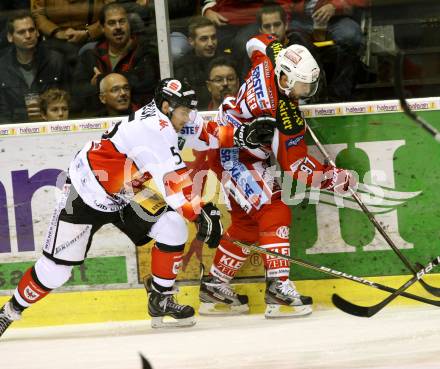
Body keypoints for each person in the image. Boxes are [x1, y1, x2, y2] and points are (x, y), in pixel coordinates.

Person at [0, 77, 273, 336]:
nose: (189, 117)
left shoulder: (174, 115)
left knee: (173, 227)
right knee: (55, 270)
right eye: (184, 112)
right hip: (86, 191)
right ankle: (9, 313)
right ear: (166, 107)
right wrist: (202, 212)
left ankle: (161, 299)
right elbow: (174, 182)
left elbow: (206, 132)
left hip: (127, 192)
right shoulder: (153, 129)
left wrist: (241, 135)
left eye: (191, 111)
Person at [181, 34, 356, 318]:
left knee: (248, 225)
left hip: (227, 139)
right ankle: (278, 288)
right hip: (237, 156)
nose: (306, 91)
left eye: (310, 84)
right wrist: (334, 179)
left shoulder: (271, 57)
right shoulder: (282, 115)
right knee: (274, 208)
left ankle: (214, 286)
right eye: (302, 85)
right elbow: (297, 167)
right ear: (285, 79)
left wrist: (277, 45)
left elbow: (255, 41)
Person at [72, 2, 158, 115]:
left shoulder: (145, 50)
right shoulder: (91, 56)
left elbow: (145, 81)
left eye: (122, 21)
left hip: (138, 118)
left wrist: (100, 81)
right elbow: (78, 91)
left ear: (129, 24)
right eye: (112, 23)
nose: (118, 27)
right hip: (99, 121)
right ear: (102, 28)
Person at [0, 12, 68, 123]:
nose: (28, 36)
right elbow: (2, 112)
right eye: (21, 32)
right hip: (15, 130)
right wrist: (25, 115)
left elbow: (70, 101)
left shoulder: (55, 60)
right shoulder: (2, 67)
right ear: (10, 37)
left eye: (31, 30)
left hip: (53, 126)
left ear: (37, 33)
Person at [174, 16, 224, 110]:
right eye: (204, 39)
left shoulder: (226, 61)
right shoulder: (182, 66)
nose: (210, 43)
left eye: (213, 37)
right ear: (191, 41)